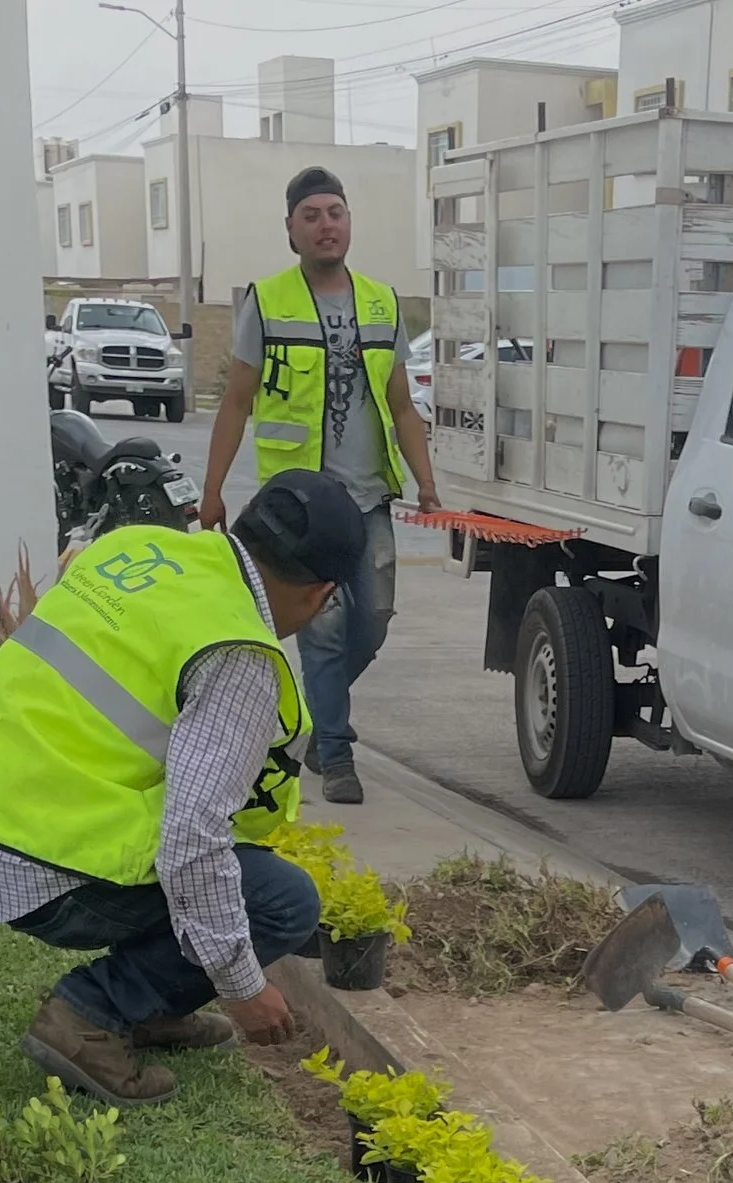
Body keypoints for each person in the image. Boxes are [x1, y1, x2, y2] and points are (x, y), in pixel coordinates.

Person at [0, 472, 365, 1108]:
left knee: (233, 874)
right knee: (280, 901)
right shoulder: (237, 650)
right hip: (44, 857)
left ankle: (154, 1007)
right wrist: (243, 985)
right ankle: (89, 1014)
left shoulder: (141, 548)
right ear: (321, 592)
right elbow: (193, 842)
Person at [200, 163, 439, 805]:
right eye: (311, 216)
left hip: (368, 498)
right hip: (300, 507)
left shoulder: (383, 302)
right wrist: (213, 489)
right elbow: (236, 402)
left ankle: (317, 707)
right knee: (325, 631)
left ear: (348, 222)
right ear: (291, 231)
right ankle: (335, 755)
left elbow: (404, 405)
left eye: (334, 212)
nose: (325, 225)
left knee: (375, 619)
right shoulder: (266, 300)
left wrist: (427, 481)